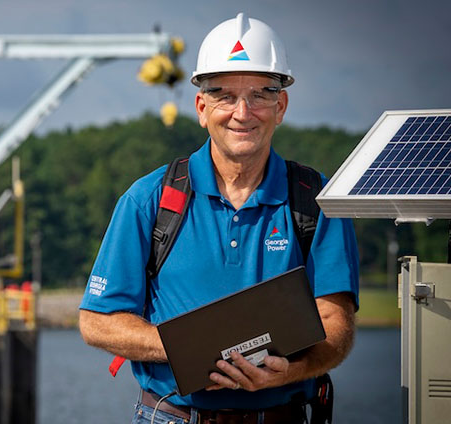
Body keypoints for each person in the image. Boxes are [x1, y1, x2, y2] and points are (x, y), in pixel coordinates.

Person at [78, 13, 358, 424]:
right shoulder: (149, 200)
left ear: (280, 106)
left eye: (260, 95)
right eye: (224, 96)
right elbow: (97, 321)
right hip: (172, 416)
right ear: (201, 107)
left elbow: (337, 325)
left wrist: (291, 372)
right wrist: (188, 349)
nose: (242, 112)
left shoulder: (318, 201)